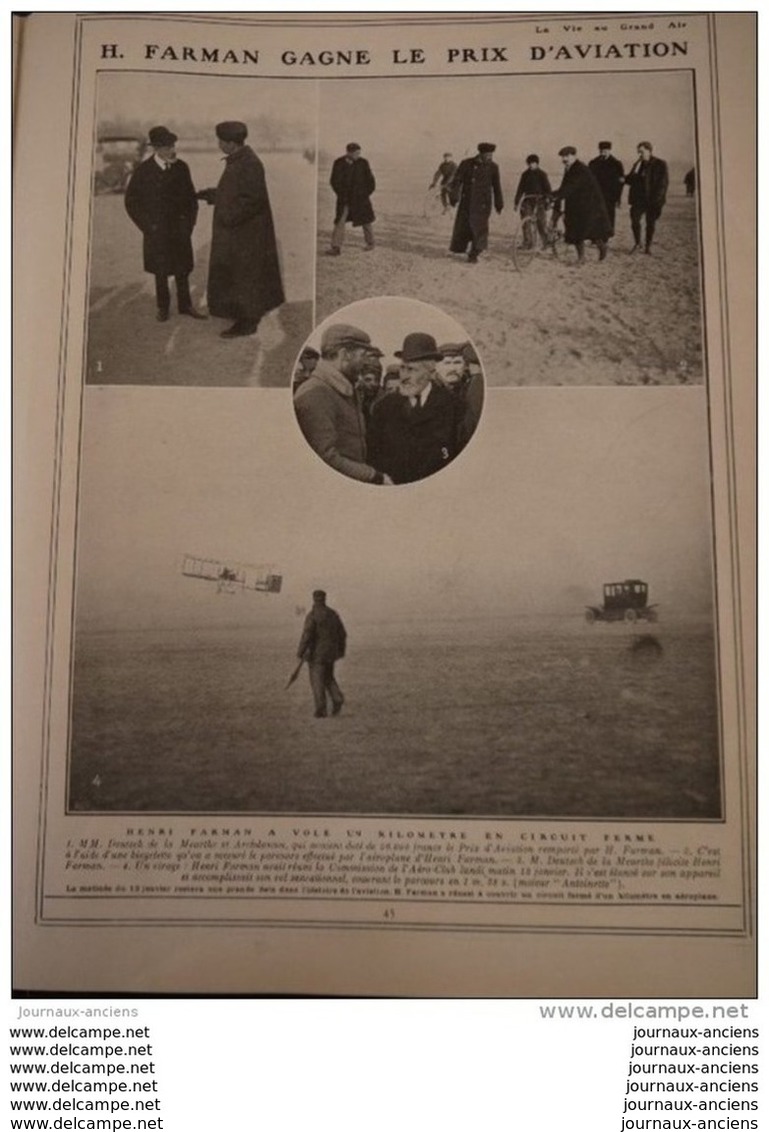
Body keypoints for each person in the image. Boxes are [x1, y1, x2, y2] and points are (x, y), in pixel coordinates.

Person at [197, 121, 285, 338]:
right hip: (240, 230)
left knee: (245, 275)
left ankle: (248, 322)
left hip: (246, 233)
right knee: (238, 273)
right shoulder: (240, 160)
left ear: (231, 143)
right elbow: (234, 191)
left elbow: (252, 199)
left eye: (220, 141)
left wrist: (227, 216)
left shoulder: (249, 163)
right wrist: (210, 194)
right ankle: (237, 311)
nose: (218, 144)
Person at [124, 125, 206, 323]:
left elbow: (191, 200)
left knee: (183, 269)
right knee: (160, 271)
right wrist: (148, 226)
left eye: (173, 145)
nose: (172, 150)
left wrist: (189, 224)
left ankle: (185, 306)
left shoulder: (182, 167)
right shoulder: (144, 171)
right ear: (157, 149)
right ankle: (163, 308)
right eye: (168, 147)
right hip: (156, 232)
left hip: (180, 230)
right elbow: (131, 202)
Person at [293, 323, 391, 484]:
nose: (365, 363)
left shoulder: (342, 388)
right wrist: (374, 476)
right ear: (345, 354)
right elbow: (324, 457)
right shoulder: (316, 393)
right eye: (363, 355)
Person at [368, 333, 463, 484]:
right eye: (403, 369)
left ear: (431, 373)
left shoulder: (454, 406)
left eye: (412, 370)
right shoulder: (384, 407)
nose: (404, 377)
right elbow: (373, 454)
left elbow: (456, 455)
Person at [551, 146, 611, 264]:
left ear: (574, 156)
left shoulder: (580, 169)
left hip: (590, 205)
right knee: (576, 231)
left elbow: (570, 187)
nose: (564, 159)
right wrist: (553, 194)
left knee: (591, 232)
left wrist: (555, 195)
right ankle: (581, 258)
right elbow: (565, 187)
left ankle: (602, 248)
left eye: (567, 156)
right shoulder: (570, 168)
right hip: (578, 205)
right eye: (563, 157)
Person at [449, 142, 504, 263]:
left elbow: (497, 187)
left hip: (483, 204)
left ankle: (474, 253)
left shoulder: (493, 167)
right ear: (481, 153)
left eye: (491, 155)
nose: (490, 157)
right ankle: (462, 248)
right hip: (467, 202)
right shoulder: (466, 164)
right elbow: (457, 181)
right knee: (465, 227)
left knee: (480, 229)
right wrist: (454, 196)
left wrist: (499, 204)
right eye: (488, 155)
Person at [297, 590, 347, 718]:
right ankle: (337, 698)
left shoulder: (312, 615)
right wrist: (340, 651)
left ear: (314, 599)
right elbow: (342, 634)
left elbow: (307, 635)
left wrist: (300, 651)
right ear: (324, 599)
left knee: (317, 681)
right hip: (330, 654)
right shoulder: (332, 614)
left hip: (316, 655)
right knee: (328, 677)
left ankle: (321, 709)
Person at [327, 142, 376, 255]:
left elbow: (371, 181)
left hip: (361, 199)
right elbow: (334, 181)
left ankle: (371, 243)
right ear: (348, 152)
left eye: (359, 153)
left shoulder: (363, 163)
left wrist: (365, 194)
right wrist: (341, 194)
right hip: (345, 199)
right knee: (340, 221)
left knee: (366, 221)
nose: (358, 155)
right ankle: (336, 247)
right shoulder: (338, 163)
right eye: (355, 153)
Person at [625, 141, 669, 254]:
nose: (640, 154)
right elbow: (630, 179)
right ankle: (638, 243)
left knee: (650, 224)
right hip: (638, 200)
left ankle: (648, 246)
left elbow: (663, 184)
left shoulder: (660, 164)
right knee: (634, 220)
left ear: (649, 151)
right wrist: (622, 179)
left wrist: (656, 199)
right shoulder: (638, 164)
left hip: (653, 200)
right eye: (638, 152)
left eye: (642, 152)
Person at [513, 154, 552, 247]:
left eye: (533, 163)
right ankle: (528, 243)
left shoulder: (542, 174)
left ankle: (545, 242)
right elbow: (520, 189)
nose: (531, 165)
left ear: (537, 164)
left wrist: (547, 200)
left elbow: (548, 189)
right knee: (525, 222)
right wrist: (516, 202)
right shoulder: (525, 175)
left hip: (539, 201)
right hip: (527, 201)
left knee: (541, 223)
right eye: (529, 163)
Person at [587, 141, 625, 238]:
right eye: (601, 151)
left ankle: (606, 236)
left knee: (608, 215)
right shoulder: (593, 163)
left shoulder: (616, 164)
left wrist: (618, 198)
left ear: (609, 150)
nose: (603, 153)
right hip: (595, 194)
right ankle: (595, 236)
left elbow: (620, 183)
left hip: (610, 196)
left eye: (605, 150)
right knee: (595, 214)